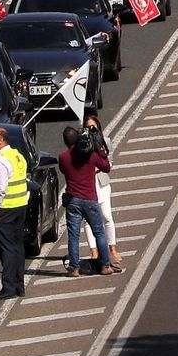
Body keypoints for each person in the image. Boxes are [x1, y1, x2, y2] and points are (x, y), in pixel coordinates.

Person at [58, 123, 117, 276]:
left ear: (65, 142)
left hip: (73, 200)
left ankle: (74, 268)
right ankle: (105, 266)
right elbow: (106, 167)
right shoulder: (90, 155)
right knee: (99, 233)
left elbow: (64, 170)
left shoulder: (63, 157)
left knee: (73, 236)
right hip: (90, 199)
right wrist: (99, 149)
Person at [0, 125, 30, 300]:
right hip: (20, 205)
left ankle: (9, 286)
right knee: (18, 246)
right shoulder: (17, 155)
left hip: (7, 208)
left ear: (0, 140)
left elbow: (0, 188)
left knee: (7, 248)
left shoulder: (0, 160)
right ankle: (19, 285)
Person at [80, 110, 121, 272]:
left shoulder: (105, 141)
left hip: (101, 182)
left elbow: (110, 162)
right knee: (88, 220)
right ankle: (93, 251)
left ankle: (112, 249)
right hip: (88, 184)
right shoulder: (82, 144)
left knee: (107, 216)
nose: (91, 129)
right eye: (88, 127)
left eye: (93, 127)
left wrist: (100, 162)